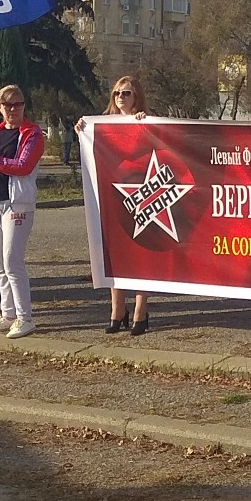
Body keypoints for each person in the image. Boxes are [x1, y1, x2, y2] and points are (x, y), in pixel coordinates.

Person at [77, 75, 153, 335]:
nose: (121, 97)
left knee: (142, 253)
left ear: (137, 96)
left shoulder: (147, 122)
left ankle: (141, 311)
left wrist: (147, 125)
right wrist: (82, 129)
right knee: (114, 253)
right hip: (113, 196)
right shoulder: (102, 124)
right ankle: (117, 310)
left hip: (142, 195)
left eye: (127, 93)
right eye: (118, 93)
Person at [0, 84, 45, 339]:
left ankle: (25, 317)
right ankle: (8, 313)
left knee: (12, 261)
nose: (13, 109)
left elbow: (23, 165)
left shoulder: (33, 134)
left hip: (17, 203)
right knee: (0, 265)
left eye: (18, 104)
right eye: (8, 104)